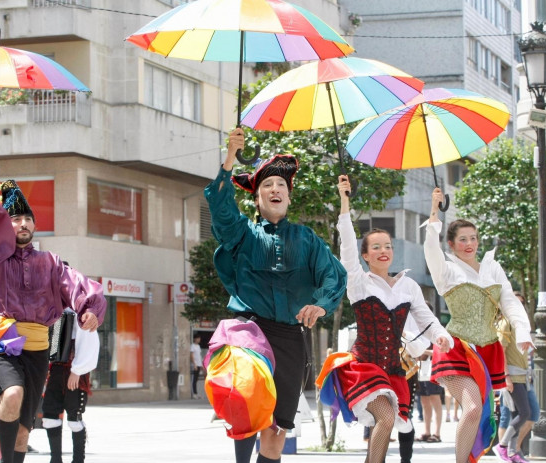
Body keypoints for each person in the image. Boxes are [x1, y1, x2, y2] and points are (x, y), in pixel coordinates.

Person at [205, 128, 347, 463]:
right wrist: (229, 158)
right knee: (247, 404)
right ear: (257, 198)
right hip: (249, 333)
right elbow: (221, 207)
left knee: (276, 434)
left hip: (289, 337)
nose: (274, 189)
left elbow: (333, 275)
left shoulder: (307, 238)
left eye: (281, 185)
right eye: (267, 185)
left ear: (288, 195)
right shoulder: (243, 234)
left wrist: (321, 305)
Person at [0, 157, 106, 463]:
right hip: (5, 343)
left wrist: (90, 309)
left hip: (38, 350)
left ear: (35, 224)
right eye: (15, 219)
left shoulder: (51, 263)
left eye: (27, 219)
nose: (22, 224)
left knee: (24, 429)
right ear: (6, 224)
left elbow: (80, 287)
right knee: (13, 395)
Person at [316, 176, 452, 463]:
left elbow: (426, 319)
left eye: (387, 245)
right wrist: (344, 201)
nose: (383, 251)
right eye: (375, 247)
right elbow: (348, 246)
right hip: (364, 367)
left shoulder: (408, 286)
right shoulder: (358, 283)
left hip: (394, 370)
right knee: (386, 418)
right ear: (365, 256)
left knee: (388, 423)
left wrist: (440, 335)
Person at [423, 187, 533, 463]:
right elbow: (430, 248)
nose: (469, 243)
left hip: (489, 349)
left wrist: (523, 333)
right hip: (457, 347)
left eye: (473, 238)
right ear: (452, 244)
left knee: (481, 412)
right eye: (462, 239)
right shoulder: (446, 271)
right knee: (472, 409)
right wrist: (434, 211)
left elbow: (510, 302)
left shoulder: (492, 268)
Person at [41, 306, 99, 463]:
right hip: (56, 367)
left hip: (75, 369)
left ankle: (78, 460)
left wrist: (77, 370)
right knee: (50, 414)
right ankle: (55, 459)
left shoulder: (82, 310)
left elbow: (89, 341)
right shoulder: (54, 307)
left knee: (74, 417)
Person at [494, 292, 534, 463]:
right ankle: (502, 446)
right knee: (525, 413)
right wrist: (506, 377)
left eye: (521, 303)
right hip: (512, 375)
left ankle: (512, 452)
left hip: (521, 375)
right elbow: (500, 351)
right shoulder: (505, 324)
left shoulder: (518, 324)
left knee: (517, 413)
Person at [416, 347, 444, 443]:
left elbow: (440, 351)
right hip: (421, 371)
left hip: (434, 370)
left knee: (435, 399)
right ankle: (427, 432)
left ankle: (437, 433)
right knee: (424, 401)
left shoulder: (434, 334)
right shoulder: (418, 334)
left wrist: (422, 350)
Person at [190, 333, 203, 399]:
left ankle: (196, 393)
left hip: (198, 364)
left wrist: (201, 364)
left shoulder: (198, 346)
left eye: (199, 339)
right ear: (195, 339)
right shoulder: (192, 346)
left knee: (196, 379)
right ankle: (194, 393)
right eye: (198, 338)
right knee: (194, 379)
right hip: (194, 365)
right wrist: (194, 364)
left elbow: (199, 356)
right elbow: (191, 355)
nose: (199, 340)